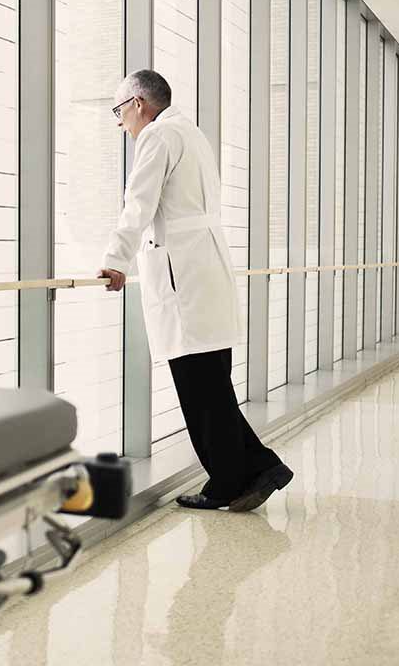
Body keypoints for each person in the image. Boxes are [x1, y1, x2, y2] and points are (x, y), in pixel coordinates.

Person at [98, 69, 293, 512]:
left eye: (119, 110)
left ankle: (234, 480)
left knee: (200, 389)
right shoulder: (192, 133)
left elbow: (138, 205)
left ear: (138, 103)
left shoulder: (157, 136)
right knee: (212, 386)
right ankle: (258, 469)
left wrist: (115, 260)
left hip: (183, 276)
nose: (120, 122)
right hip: (204, 268)